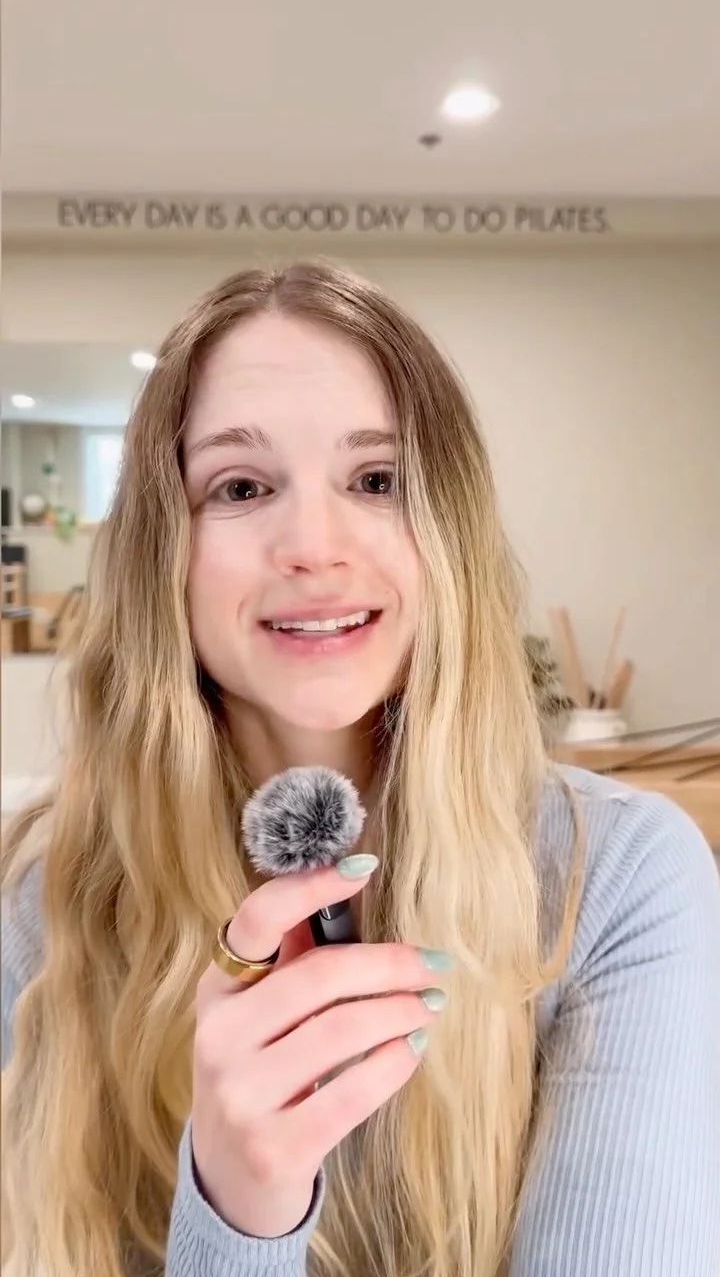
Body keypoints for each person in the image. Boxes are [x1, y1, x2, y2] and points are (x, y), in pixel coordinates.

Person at [2, 262, 719, 1277]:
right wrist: (238, 1213)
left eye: (377, 480)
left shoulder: (621, 877)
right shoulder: (40, 903)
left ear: (448, 530)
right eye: (242, 487)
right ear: (165, 548)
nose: (314, 545)